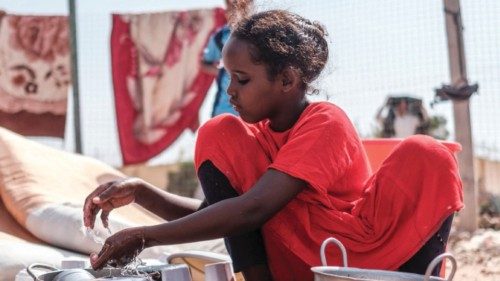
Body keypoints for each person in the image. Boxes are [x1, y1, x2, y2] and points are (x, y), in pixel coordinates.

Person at [83, 8, 463, 281]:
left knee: (426, 153)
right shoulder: (254, 140)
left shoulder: (324, 122)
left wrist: (145, 236)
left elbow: (253, 210)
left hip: (349, 260)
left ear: (286, 80)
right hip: (295, 263)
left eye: (242, 79)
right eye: (228, 77)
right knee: (218, 131)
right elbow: (224, 214)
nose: (230, 91)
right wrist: (143, 193)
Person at [201, 0, 253, 117]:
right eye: (231, 3)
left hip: (254, 110)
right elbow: (203, 63)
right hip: (223, 109)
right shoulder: (220, 35)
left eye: (239, 3)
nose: (235, 6)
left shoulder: (259, 32)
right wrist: (222, 72)